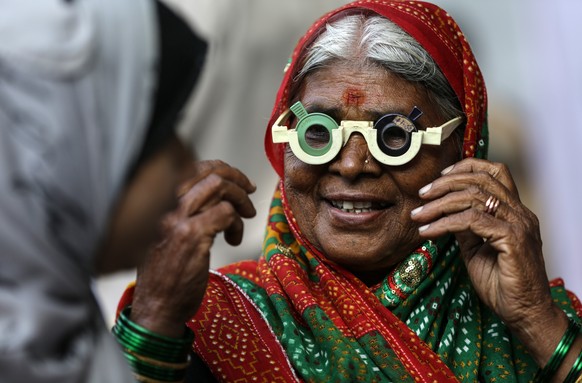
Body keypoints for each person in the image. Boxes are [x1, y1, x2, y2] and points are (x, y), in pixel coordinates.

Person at [116, 1, 582, 382]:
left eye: (394, 137)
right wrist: (155, 318)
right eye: (318, 134)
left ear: (464, 152)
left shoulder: (538, 322)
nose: (352, 164)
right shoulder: (212, 319)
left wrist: (536, 321)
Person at [0, 1, 247, 381]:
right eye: (162, 133)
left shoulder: (63, 334)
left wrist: (158, 317)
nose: (188, 162)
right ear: (64, 160)